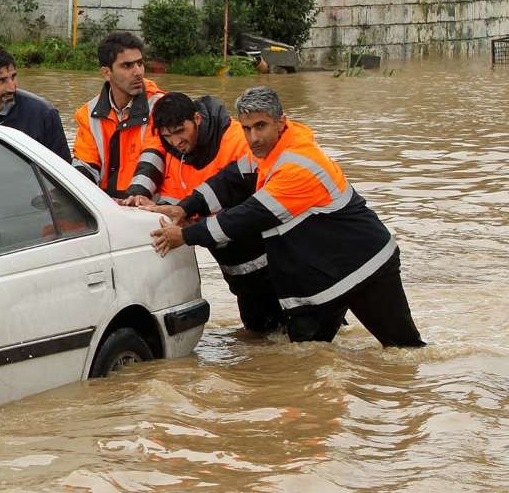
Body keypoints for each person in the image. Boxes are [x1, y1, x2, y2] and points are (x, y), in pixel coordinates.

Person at [148, 86, 424, 347]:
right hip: (322, 280)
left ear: (280, 122)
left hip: (367, 268)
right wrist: (186, 207)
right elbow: (230, 180)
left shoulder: (296, 166)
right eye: (246, 128)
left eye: (261, 126)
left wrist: (185, 235)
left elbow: (248, 216)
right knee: (300, 360)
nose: (253, 137)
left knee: (404, 349)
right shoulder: (268, 152)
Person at [134, 92, 283, 333]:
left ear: (197, 119)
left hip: (275, 262)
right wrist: (152, 206)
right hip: (237, 268)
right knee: (259, 335)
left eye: (180, 131)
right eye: (168, 136)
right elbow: (179, 195)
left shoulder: (239, 141)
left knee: (301, 332)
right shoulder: (174, 153)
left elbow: (251, 205)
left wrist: (188, 232)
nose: (176, 141)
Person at [73, 31, 166, 198]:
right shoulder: (88, 113)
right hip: (105, 203)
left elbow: (154, 157)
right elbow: (85, 166)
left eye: (140, 63)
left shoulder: (160, 106)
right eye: (127, 66)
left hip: (146, 204)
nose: (138, 72)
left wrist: (134, 198)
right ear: (106, 73)